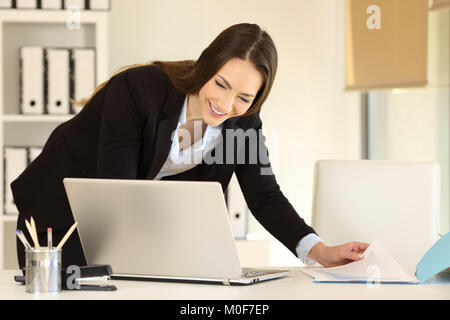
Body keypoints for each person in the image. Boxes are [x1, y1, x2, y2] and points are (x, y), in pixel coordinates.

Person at [11, 23, 368, 270]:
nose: (227, 106)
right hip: (58, 217)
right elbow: (116, 194)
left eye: (244, 97)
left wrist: (318, 250)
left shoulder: (242, 122)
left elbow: (264, 197)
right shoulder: (138, 91)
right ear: (206, 66)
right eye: (222, 85)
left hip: (128, 222)